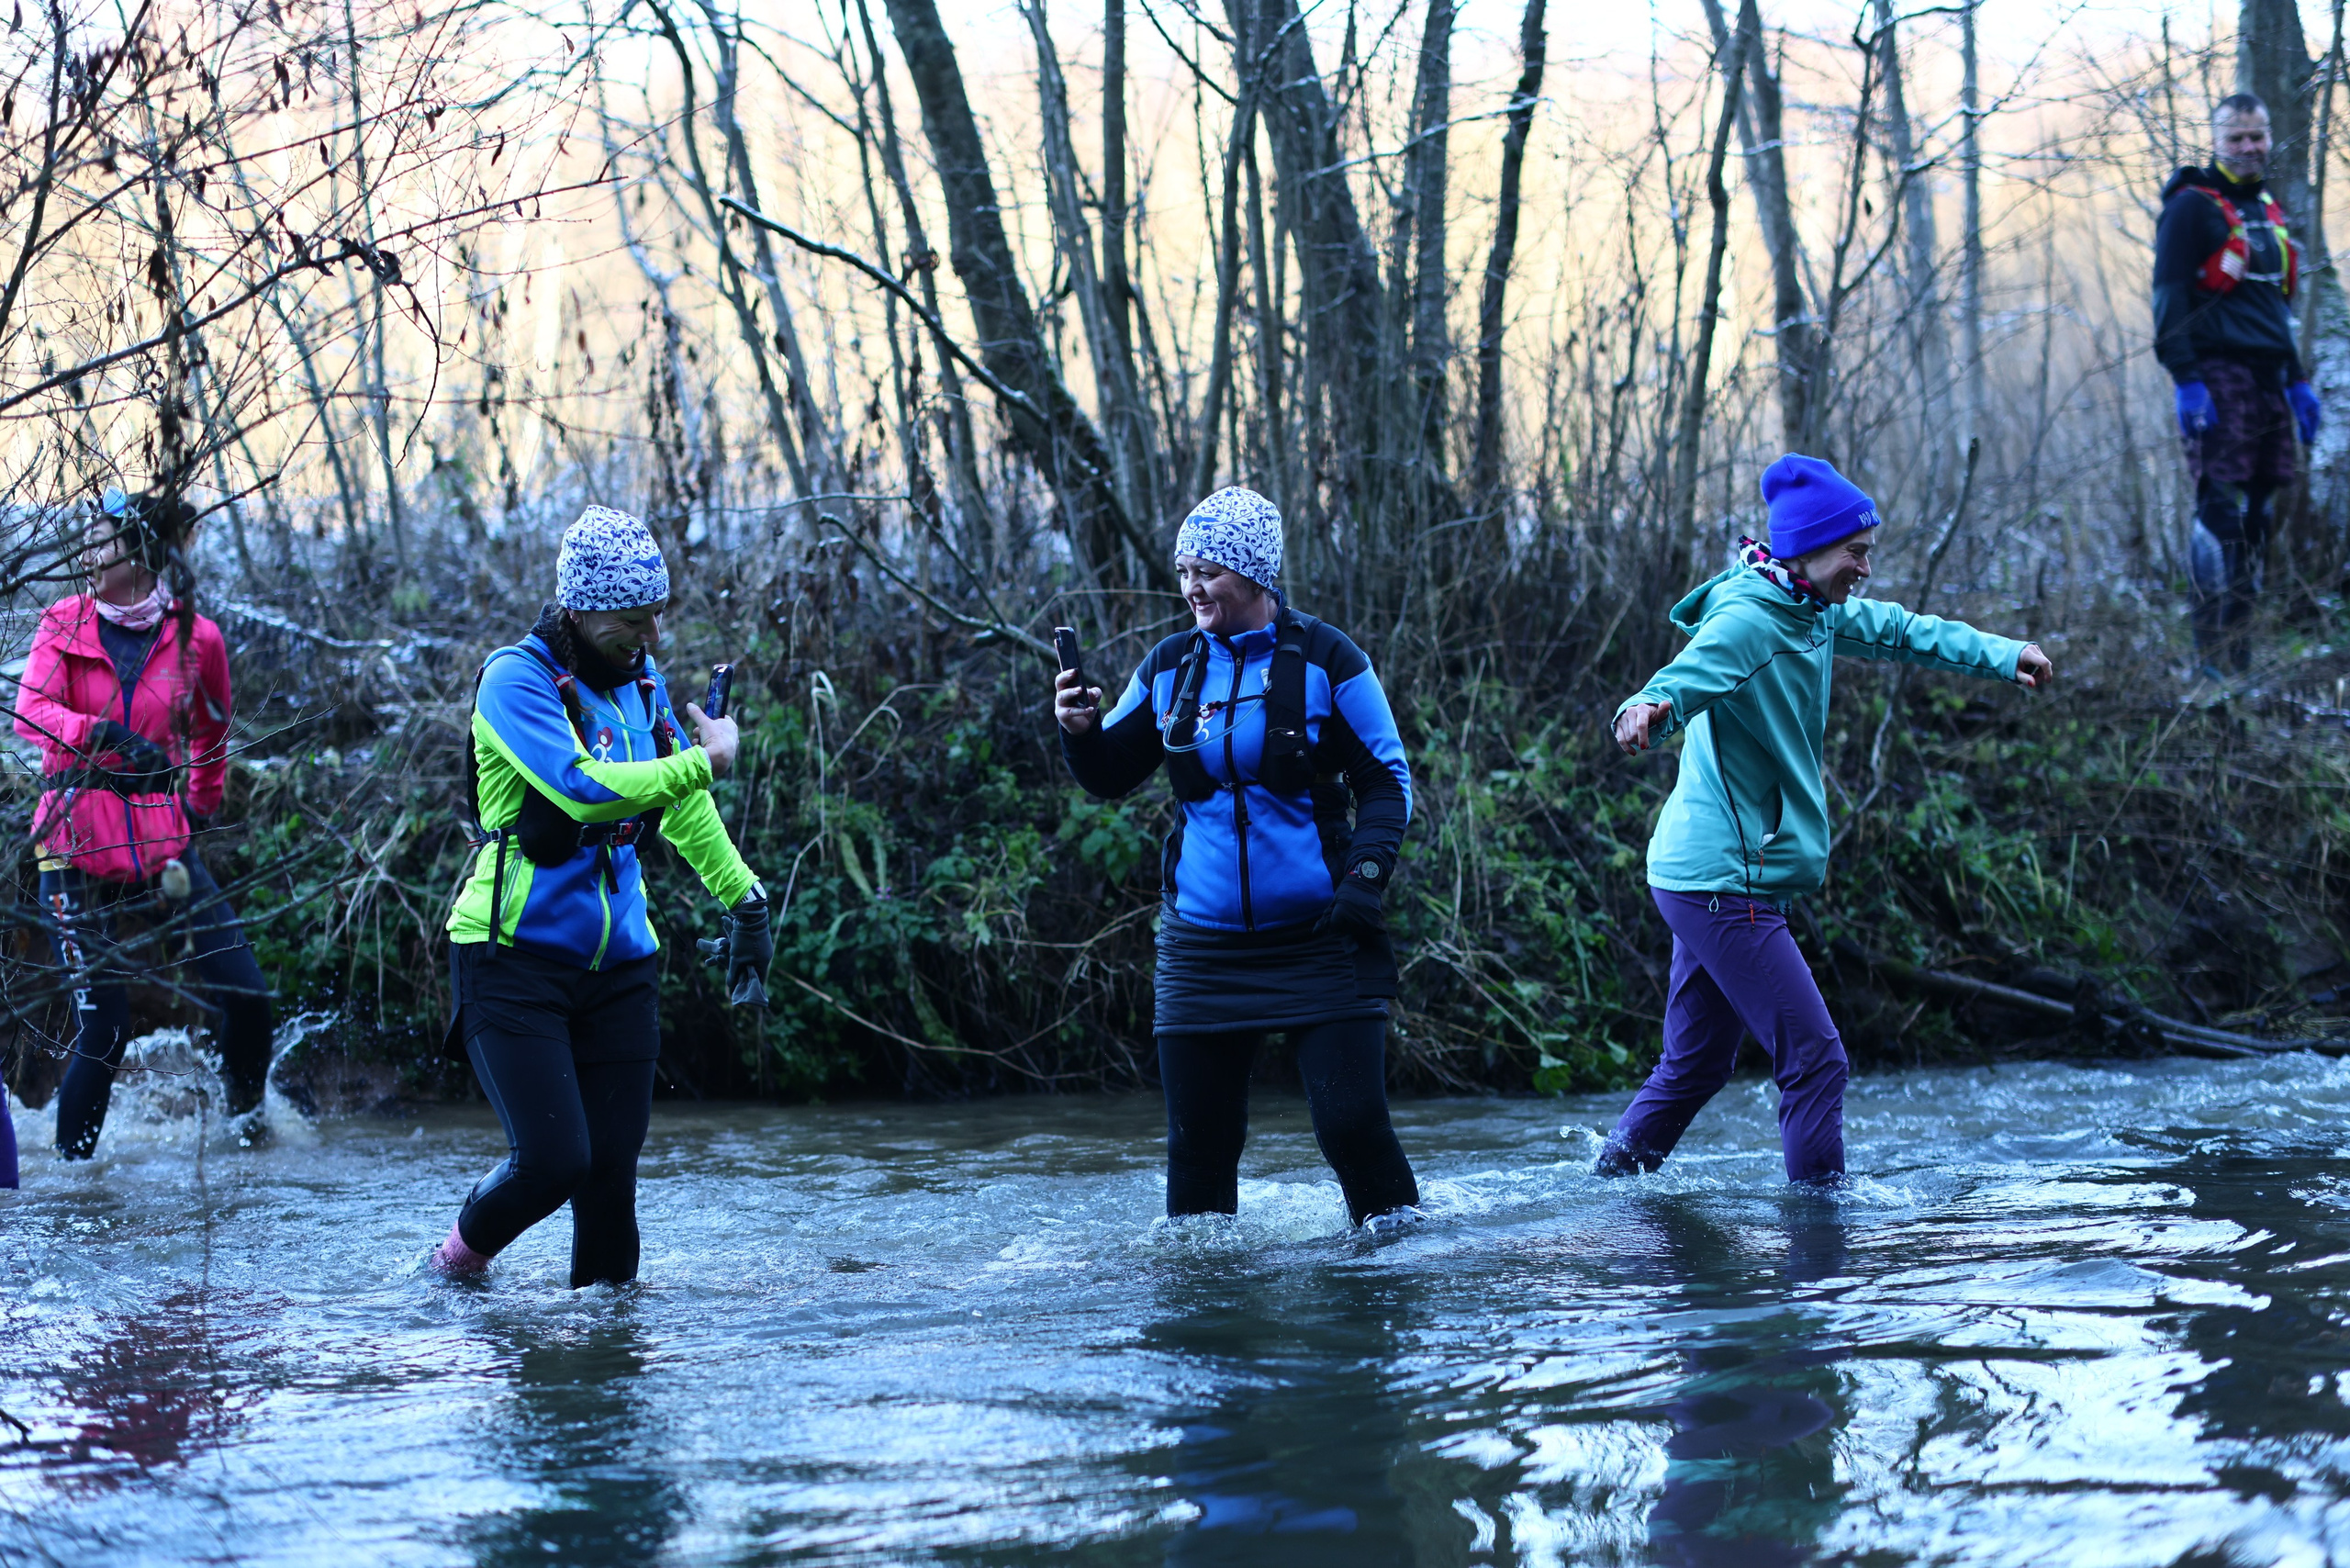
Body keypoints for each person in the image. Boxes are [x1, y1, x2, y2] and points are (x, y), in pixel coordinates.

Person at [1604, 455, 2054, 1185]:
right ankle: (1820, 1255)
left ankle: (1609, 1195)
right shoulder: (1752, 617)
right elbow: (1688, 674)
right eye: (1857, 552)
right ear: (1808, 550)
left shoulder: (1811, 610)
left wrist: (2006, 655)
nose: (1865, 569)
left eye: (1868, 552)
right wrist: (1646, 711)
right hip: (1726, 879)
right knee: (1816, 1061)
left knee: (1694, 1067)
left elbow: (1906, 631)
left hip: (1705, 872)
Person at [1055, 487, 1421, 1230]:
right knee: (1198, 1155)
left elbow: (1387, 782)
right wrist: (1082, 731)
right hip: (1201, 951)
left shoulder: (1328, 659)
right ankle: (1204, 1322)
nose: (1192, 587)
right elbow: (1107, 777)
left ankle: (1394, 1284)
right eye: (1185, 569)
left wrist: (1365, 881)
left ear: (1256, 576)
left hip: (1321, 940)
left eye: (1210, 570)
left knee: (1352, 1131)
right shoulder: (1168, 667)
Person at [430, 506, 771, 1287]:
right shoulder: (514, 679)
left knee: (610, 1181)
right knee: (554, 1162)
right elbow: (583, 791)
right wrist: (703, 762)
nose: (650, 633)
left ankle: (606, 1366)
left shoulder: (641, 684)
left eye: (658, 613)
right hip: (510, 960)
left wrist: (742, 897)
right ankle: (450, 1270)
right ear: (579, 608)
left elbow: (679, 809)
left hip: (621, 964)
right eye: (632, 618)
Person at [12, 488, 273, 1163]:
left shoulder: (198, 638)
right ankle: (77, 1187)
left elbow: (212, 735)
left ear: (141, 552)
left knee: (246, 993)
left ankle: (247, 1127)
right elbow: (30, 715)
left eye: (101, 541)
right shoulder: (62, 622)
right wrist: (104, 736)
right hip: (70, 846)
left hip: (163, 849)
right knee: (105, 1029)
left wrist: (196, 811)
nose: (88, 555)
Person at [2154, 93, 2322, 676]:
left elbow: (2277, 312)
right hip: (2217, 377)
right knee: (2218, 517)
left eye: (2258, 136)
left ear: (2269, 137)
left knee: (2257, 521)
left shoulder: (2269, 210)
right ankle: (2210, 664)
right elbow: (2170, 298)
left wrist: (2298, 382)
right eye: (2236, 137)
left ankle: (2241, 661)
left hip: (2270, 382)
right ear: (2217, 140)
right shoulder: (2190, 208)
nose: (2249, 147)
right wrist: (2188, 383)